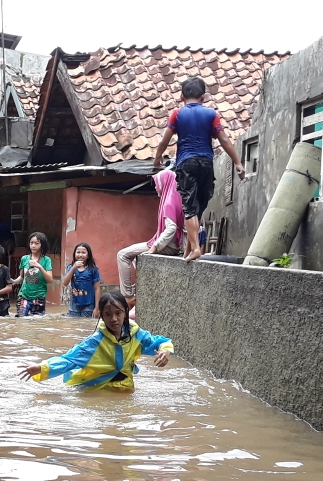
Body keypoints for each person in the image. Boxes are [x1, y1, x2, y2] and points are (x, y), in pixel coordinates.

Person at [153, 77, 244, 261]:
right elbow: (224, 140)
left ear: (181, 96)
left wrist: (157, 160)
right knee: (198, 207)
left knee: (189, 207)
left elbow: (165, 140)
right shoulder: (211, 114)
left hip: (186, 163)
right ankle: (188, 249)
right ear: (203, 97)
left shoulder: (177, 114)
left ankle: (195, 248)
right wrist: (238, 163)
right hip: (206, 163)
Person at [18, 291, 173, 392]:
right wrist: (41, 367)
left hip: (125, 387)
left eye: (118, 313)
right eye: (107, 314)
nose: (113, 319)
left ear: (126, 313)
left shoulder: (136, 334)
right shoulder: (94, 342)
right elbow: (68, 360)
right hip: (97, 388)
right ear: (102, 317)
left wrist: (165, 351)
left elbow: (159, 342)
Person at [116, 169, 184, 306]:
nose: (155, 187)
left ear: (165, 182)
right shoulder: (176, 197)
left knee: (122, 255)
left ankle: (128, 296)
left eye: (157, 183)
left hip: (169, 246)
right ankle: (137, 289)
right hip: (175, 244)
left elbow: (171, 228)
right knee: (136, 256)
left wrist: (155, 247)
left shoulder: (169, 202)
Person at [11, 232, 54, 317]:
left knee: (36, 322)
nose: (33, 246)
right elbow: (21, 276)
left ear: (42, 245)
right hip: (24, 295)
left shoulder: (46, 260)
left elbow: (50, 279)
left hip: (39, 296)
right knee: (21, 320)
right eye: (31, 243)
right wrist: (13, 281)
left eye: (37, 243)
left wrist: (39, 267)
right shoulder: (24, 259)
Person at [62, 242, 101, 317]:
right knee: (74, 325)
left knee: (86, 325)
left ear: (88, 255)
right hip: (74, 305)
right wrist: (73, 268)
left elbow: (97, 289)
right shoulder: (70, 267)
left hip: (89, 305)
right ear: (74, 254)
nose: (80, 255)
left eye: (83, 252)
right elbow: (65, 283)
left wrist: (97, 308)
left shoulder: (93, 270)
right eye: (78, 252)